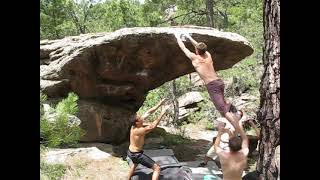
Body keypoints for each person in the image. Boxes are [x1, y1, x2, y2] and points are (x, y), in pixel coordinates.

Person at [174, 33, 243, 128]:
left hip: (212, 86)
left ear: (196, 51)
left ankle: (238, 129)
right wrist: (189, 37)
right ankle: (236, 113)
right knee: (223, 104)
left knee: (222, 109)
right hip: (219, 82)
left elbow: (184, 48)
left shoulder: (195, 58)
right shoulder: (208, 55)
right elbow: (198, 46)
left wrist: (177, 36)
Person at [127, 99, 168, 180]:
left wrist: (160, 103)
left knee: (135, 164)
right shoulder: (139, 130)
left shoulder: (134, 126)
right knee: (157, 168)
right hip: (137, 155)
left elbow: (149, 112)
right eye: (140, 118)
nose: (142, 118)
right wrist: (162, 113)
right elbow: (152, 126)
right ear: (137, 122)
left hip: (131, 152)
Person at [214, 115, 249, 180]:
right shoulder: (244, 153)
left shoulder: (223, 155)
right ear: (240, 146)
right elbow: (245, 139)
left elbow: (216, 146)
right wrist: (240, 124)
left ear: (228, 145)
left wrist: (220, 132)